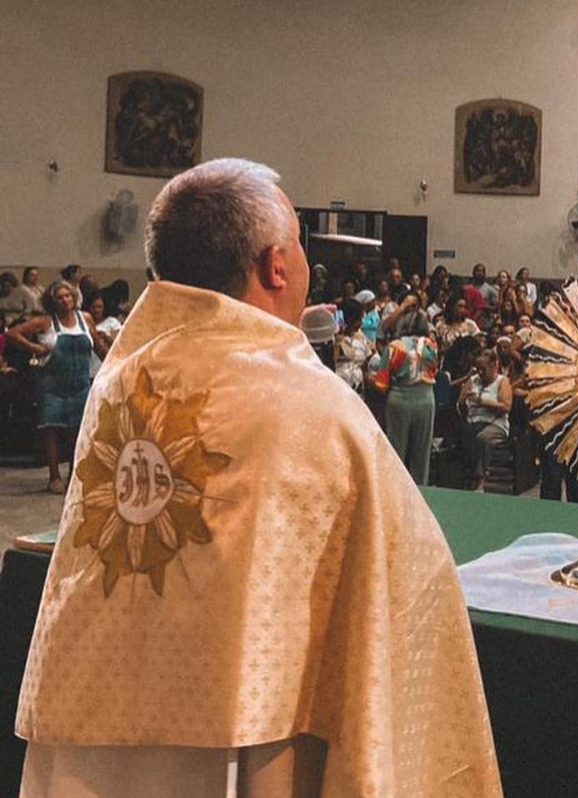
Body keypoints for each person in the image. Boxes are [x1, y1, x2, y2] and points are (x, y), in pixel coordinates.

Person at [15, 158, 500, 798]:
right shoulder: (306, 402)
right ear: (276, 266)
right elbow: (410, 575)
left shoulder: (119, 381)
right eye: (299, 245)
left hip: (91, 724)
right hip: (241, 735)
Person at [7, 279, 108, 493]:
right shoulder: (46, 322)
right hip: (52, 384)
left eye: (67, 295)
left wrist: (113, 364)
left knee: (78, 430)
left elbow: (98, 347)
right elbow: (12, 333)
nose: (65, 300)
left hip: (80, 383)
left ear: (74, 297)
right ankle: (54, 475)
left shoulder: (85, 319)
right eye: (59, 297)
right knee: (51, 428)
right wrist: (34, 346)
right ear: (52, 301)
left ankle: (74, 473)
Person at [370, 301, 438, 485]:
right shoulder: (431, 346)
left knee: (397, 451)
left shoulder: (395, 347)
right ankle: (421, 490)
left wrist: (368, 378)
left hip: (400, 401)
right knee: (421, 454)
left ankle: (394, 489)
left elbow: (381, 385)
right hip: (426, 400)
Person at [458, 349, 512, 491]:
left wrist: (482, 402)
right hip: (473, 421)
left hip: (495, 423)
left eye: (484, 369)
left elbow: (506, 406)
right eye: (478, 369)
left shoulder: (502, 381)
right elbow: (460, 404)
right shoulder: (473, 380)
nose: (480, 372)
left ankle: (480, 479)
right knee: (463, 435)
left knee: (482, 439)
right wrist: (463, 399)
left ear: (493, 366)